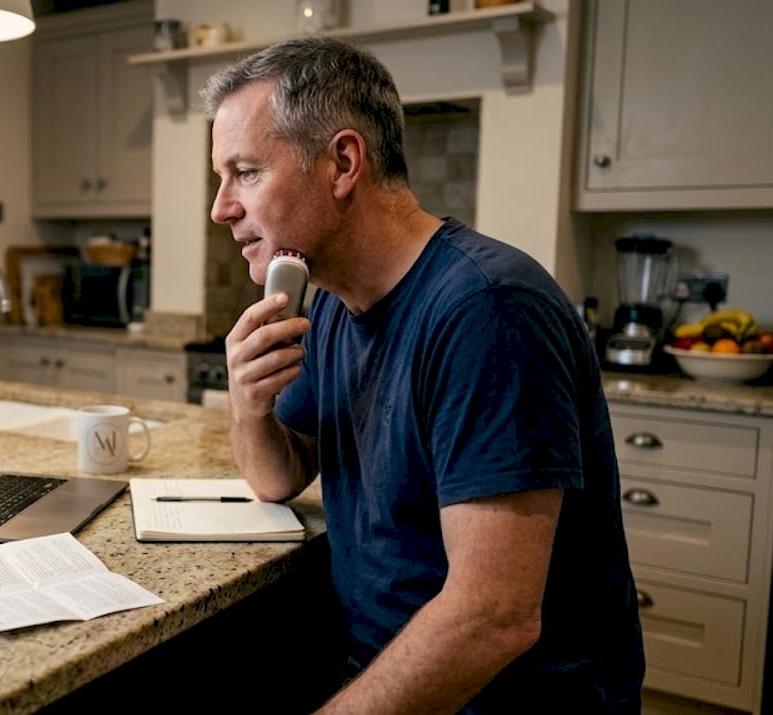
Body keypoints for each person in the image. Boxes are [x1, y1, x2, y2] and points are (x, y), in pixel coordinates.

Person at [203, 36, 644, 713]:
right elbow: (278, 475)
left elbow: (494, 616)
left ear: (343, 162)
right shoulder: (336, 306)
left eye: (245, 172)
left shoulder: (488, 310)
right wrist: (249, 404)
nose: (221, 207)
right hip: (381, 666)